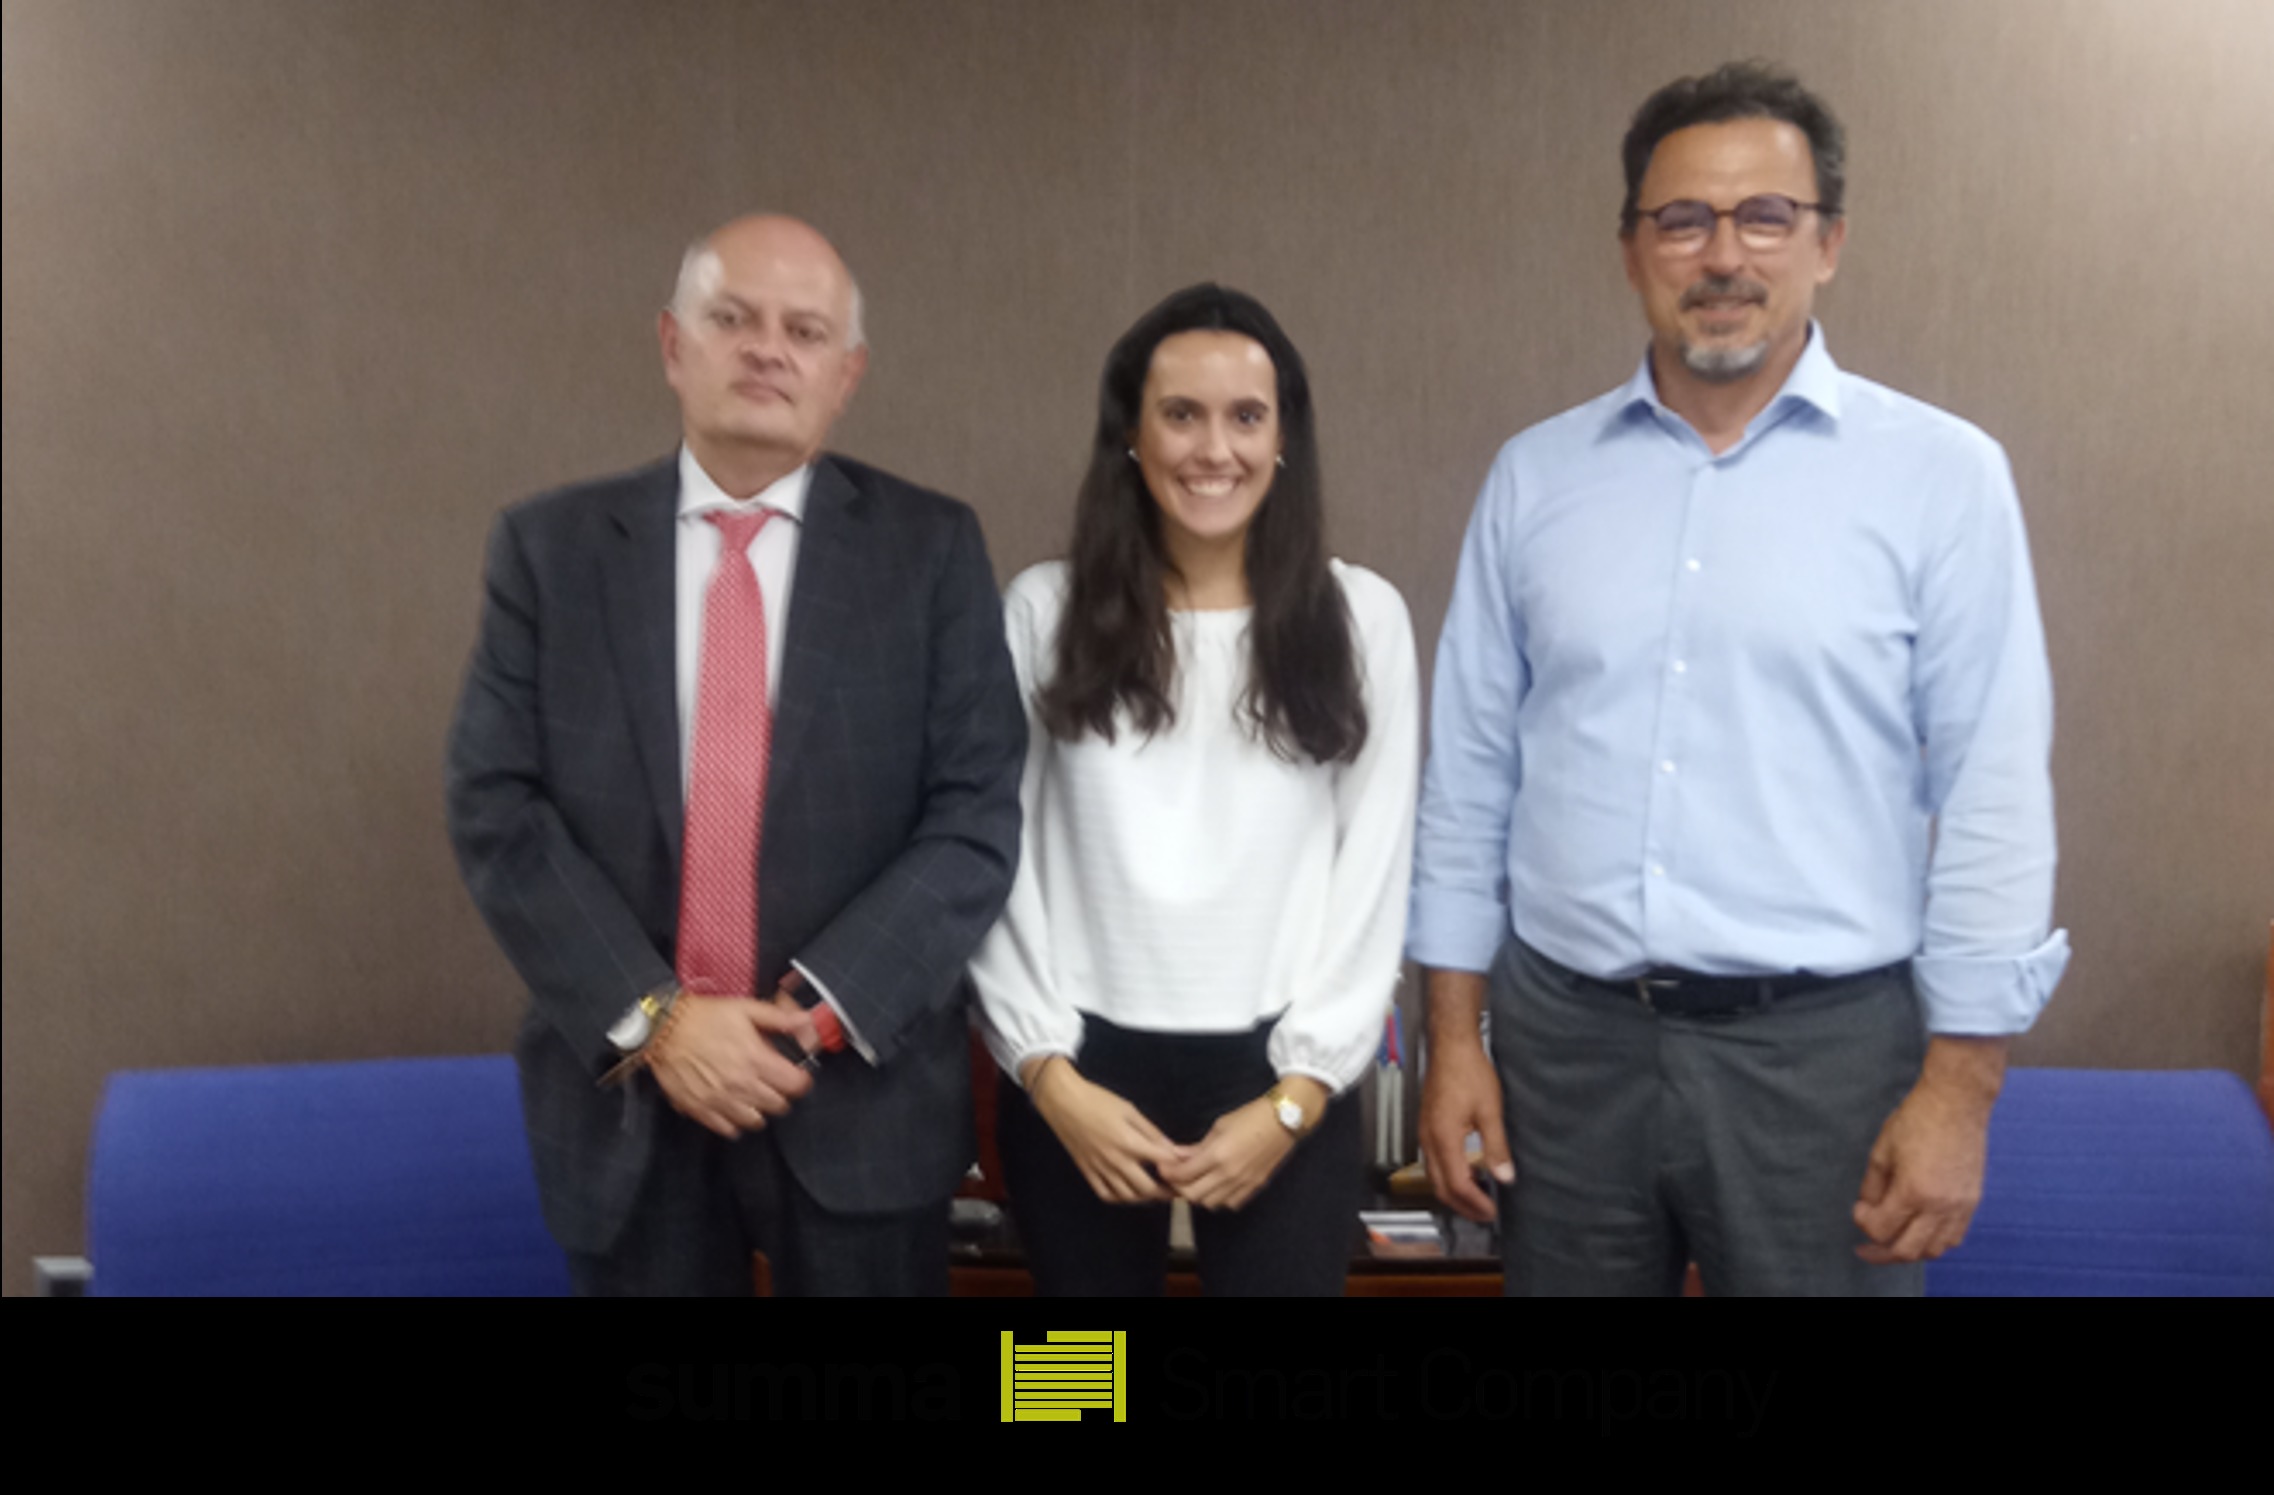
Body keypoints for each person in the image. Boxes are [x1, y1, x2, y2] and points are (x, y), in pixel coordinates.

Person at [1410, 63, 2069, 1296]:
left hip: (1823, 1059)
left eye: (1766, 216)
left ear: (1828, 243)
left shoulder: (1942, 477)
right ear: (1630, 250)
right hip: (1566, 1050)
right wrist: (1454, 1040)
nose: (1723, 255)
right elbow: (1470, 781)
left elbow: (1993, 794)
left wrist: (1961, 1087)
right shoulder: (1536, 479)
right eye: (1683, 221)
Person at [446, 214, 1025, 1296]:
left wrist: (818, 1010)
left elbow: (977, 810)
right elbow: (495, 804)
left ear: (846, 376)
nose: (767, 349)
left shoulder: (931, 550)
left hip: (855, 1097)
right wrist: (659, 1022)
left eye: (805, 331)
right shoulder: (551, 550)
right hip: (627, 1100)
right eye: (733, 319)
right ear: (673, 345)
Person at [969, 284, 1420, 1296]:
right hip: (1076, 1073)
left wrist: (1297, 1097)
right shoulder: (1042, 611)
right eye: (1181, 414)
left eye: (1246, 416)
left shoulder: (1363, 619)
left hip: (1282, 1081)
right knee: (1070, 1373)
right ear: (1130, 435)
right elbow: (994, 858)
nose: (1214, 449)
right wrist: (1048, 1075)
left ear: (1284, 437)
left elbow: (1375, 870)